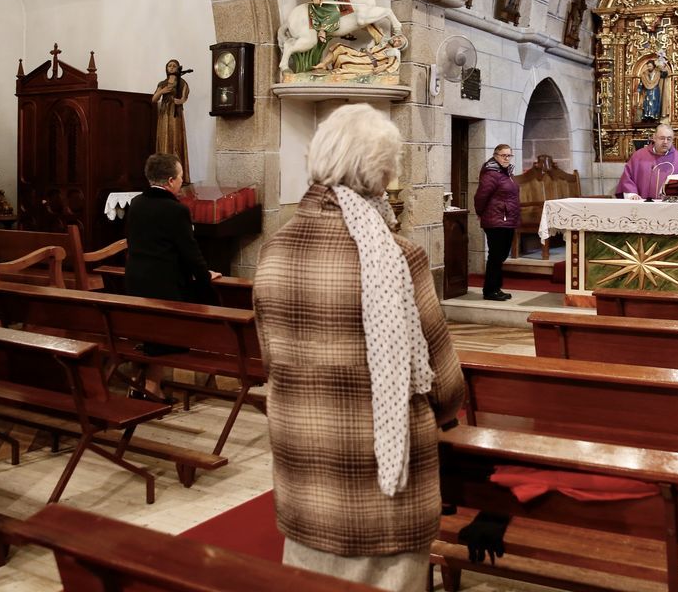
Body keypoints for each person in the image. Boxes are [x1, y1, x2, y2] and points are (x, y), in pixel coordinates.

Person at [253, 103, 465, 591]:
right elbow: (446, 385)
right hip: (381, 491)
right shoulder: (400, 257)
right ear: (380, 172)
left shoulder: (274, 250)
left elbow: (270, 358)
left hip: (304, 466)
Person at [124, 152, 221, 400]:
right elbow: (190, 253)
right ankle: (153, 389)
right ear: (169, 180)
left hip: (135, 281)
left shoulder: (136, 203)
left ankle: (136, 384)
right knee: (165, 333)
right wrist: (205, 277)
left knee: (144, 331)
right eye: (179, 177)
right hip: (164, 286)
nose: (181, 182)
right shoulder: (175, 210)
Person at [473, 144, 521, 302]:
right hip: (495, 220)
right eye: (503, 155)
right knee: (496, 255)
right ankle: (489, 290)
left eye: (509, 155)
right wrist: (480, 213)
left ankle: (496, 288)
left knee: (501, 255)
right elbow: (481, 196)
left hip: (507, 220)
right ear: (495, 156)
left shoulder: (507, 173)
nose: (506, 158)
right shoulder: (491, 174)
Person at [616, 124, 678, 199]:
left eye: (669, 139)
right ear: (654, 138)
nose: (665, 142)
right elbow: (628, 178)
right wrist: (632, 194)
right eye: (662, 138)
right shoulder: (639, 156)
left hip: (671, 207)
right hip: (642, 206)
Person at [152, 59, 190, 176]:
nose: (172, 68)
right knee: (165, 138)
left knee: (175, 138)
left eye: (174, 66)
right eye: (170, 66)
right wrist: (162, 91)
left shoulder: (182, 83)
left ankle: (176, 172)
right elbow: (154, 99)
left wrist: (180, 101)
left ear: (178, 68)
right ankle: (163, 173)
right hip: (165, 114)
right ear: (166, 68)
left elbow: (184, 97)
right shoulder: (162, 83)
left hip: (176, 114)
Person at [314, 34, 407, 76]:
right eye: (398, 38)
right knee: (339, 46)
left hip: (368, 62)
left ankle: (333, 70)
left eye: (399, 42)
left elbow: (391, 64)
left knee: (342, 59)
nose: (396, 40)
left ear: (399, 47)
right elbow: (373, 29)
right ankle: (323, 64)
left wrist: (384, 67)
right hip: (362, 54)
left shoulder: (394, 51)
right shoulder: (384, 41)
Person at [634, 58, 668, 123]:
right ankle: (646, 117)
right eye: (648, 66)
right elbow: (641, 82)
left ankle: (654, 117)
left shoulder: (658, 73)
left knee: (655, 104)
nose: (649, 67)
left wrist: (662, 68)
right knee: (646, 104)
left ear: (653, 66)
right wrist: (638, 89)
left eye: (650, 66)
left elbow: (665, 75)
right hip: (647, 91)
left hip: (655, 91)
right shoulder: (644, 74)